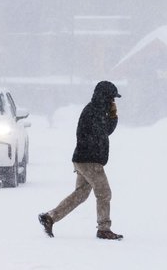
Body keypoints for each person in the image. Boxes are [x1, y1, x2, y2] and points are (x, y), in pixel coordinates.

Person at [38, 81, 123, 240]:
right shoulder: (94, 112)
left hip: (83, 159)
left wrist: (112, 116)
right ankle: (104, 229)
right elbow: (103, 132)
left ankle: (50, 217)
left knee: (81, 194)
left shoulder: (95, 110)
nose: (113, 101)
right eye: (112, 98)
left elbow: (104, 132)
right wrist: (112, 117)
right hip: (90, 161)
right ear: (105, 96)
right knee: (104, 193)